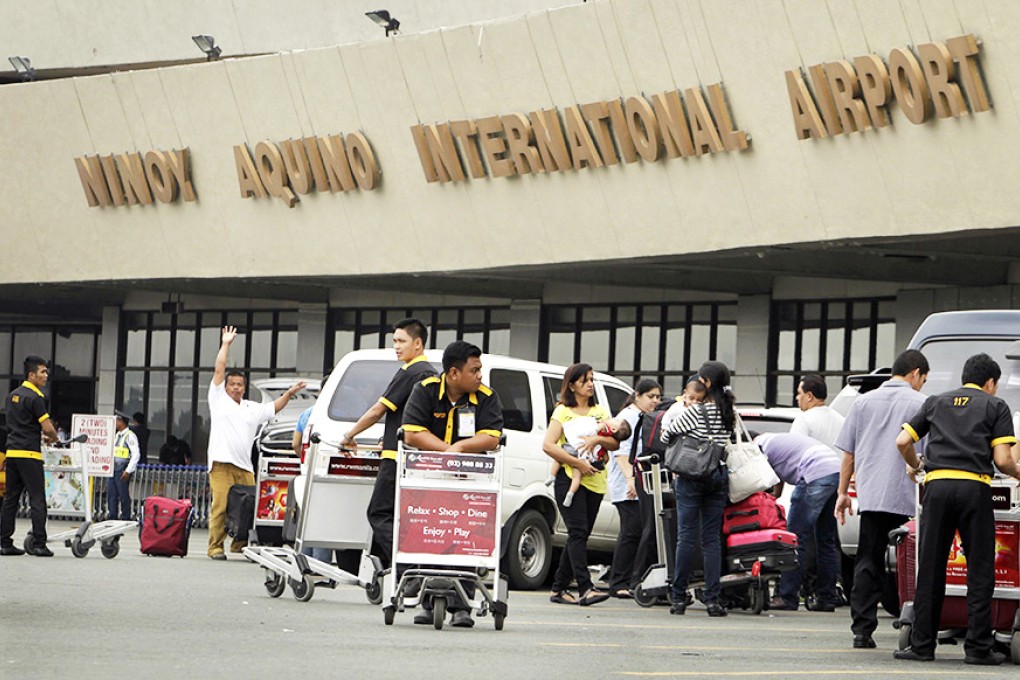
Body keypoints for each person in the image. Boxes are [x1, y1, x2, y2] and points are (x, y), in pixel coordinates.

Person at [894, 353, 1020, 666]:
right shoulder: (995, 405)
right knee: (979, 569)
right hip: (973, 489)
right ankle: (977, 648)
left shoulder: (936, 401)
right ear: (990, 382)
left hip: (935, 488)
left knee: (931, 566)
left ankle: (922, 645)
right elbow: (1004, 460)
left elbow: (901, 441)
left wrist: (916, 466)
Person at [402, 340, 504, 628]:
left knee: (463, 537)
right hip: (428, 479)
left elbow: (492, 436)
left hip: (469, 480)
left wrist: (460, 450)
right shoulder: (425, 390)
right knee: (429, 534)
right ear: (454, 373)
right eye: (474, 370)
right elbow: (411, 433)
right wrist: (448, 452)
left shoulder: (486, 397)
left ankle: (462, 607)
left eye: (480, 369)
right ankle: (425, 602)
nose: (480, 375)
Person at [834, 349, 929, 649]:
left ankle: (862, 630)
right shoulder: (922, 403)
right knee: (915, 564)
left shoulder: (862, 402)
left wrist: (841, 493)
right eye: (923, 379)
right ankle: (915, 625)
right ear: (915, 373)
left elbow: (848, 452)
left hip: (872, 497)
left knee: (868, 560)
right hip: (910, 497)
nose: (922, 385)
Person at [340, 318, 435, 565]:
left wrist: (349, 435)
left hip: (396, 457)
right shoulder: (433, 375)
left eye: (401, 341)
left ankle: (406, 564)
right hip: (419, 459)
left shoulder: (410, 371)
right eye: (394, 341)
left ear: (418, 343)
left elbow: (377, 410)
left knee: (379, 513)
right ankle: (389, 568)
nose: (396, 346)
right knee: (406, 516)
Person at [207, 326, 305, 560]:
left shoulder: (252, 408)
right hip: (221, 465)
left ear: (244, 386)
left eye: (240, 384)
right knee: (220, 507)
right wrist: (226, 344)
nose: (236, 388)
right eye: (232, 384)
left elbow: (274, 407)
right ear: (226, 386)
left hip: (245, 467)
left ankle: (239, 543)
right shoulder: (218, 399)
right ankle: (215, 547)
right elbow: (220, 368)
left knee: (250, 507)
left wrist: (289, 393)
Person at [661, 361, 735, 617]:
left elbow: (666, 436)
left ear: (705, 383)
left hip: (691, 477)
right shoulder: (728, 412)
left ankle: (679, 598)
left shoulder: (695, 412)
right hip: (717, 475)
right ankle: (713, 600)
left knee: (686, 537)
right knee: (712, 539)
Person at [544, 362, 619, 608]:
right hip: (570, 477)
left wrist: (598, 438)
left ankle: (558, 587)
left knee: (581, 534)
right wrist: (576, 462)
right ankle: (586, 588)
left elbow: (615, 443)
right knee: (577, 532)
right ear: (573, 384)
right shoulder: (562, 412)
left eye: (591, 380)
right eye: (585, 380)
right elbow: (549, 445)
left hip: (595, 479)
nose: (590, 384)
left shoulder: (600, 412)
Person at [754, 431, 841, 612]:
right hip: (835, 471)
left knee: (794, 538)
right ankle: (826, 598)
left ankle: (787, 597)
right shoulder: (774, 442)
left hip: (814, 474)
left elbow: (758, 480)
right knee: (826, 540)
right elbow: (776, 481)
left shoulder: (757, 447)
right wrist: (775, 496)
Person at [0, 356, 60, 557]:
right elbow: (48, 427)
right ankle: (39, 543)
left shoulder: (11, 396)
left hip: (12, 453)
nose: (46, 376)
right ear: (31, 375)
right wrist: (53, 437)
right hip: (30, 454)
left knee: (10, 499)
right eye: (42, 372)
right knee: (37, 499)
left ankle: (5, 543)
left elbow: (19, 426)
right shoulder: (35, 398)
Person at [610, 379, 662, 599]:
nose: (655, 401)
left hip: (638, 483)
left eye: (658, 397)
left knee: (639, 532)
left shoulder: (643, 417)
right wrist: (630, 479)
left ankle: (632, 579)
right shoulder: (628, 417)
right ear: (637, 396)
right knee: (631, 533)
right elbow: (621, 453)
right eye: (651, 396)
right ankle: (618, 582)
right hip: (627, 484)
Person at [546, 415, 630, 507]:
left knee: (559, 459)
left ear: (614, 429)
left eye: (616, 420)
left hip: (578, 445)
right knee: (576, 477)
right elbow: (607, 455)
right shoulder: (609, 436)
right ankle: (570, 493)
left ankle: (552, 476)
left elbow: (594, 431)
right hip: (586, 454)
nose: (612, 418)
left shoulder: (603, 426)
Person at [291, 404, 331, 564]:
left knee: (305, 517)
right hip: (326, 469)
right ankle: (320, 564)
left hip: (307, 469)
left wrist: (305, 460)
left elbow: (295, 443)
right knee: (323, 517)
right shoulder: (337, 411)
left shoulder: (307, 413)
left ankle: (302, 563)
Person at [790, 374, 845, 452]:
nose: (797, 397)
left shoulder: (803, 420)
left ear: (809, 396)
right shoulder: (842, 420)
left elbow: (794, 451)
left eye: (799, 393)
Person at [108, 410, 141, 521]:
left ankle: (125, 517)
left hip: (122, 469)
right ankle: (112, 517)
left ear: (122, 422)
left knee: (123, 495)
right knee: (112, 495)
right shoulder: (117, 435)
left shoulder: (130, 436)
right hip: (113, 468)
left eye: (117, 420)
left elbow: (136, 455)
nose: (115, 423)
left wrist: (128, 471)